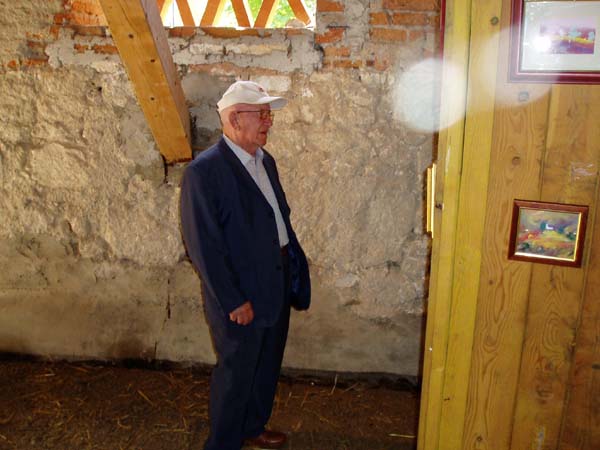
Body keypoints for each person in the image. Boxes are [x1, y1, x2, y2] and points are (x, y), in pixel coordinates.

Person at [180, 80, 311, 450]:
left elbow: (275, 218)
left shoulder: (265, 161)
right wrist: (233, 299)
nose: (269, 121)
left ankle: (253, 426)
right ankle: (223, 443)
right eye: (262, 114)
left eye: (269, 114)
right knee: (236, 371)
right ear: (235, 118)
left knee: (266, 363)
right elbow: (203, 246)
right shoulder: (204, 172)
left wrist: (292, 268)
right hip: (239, 290)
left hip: (275, 278)